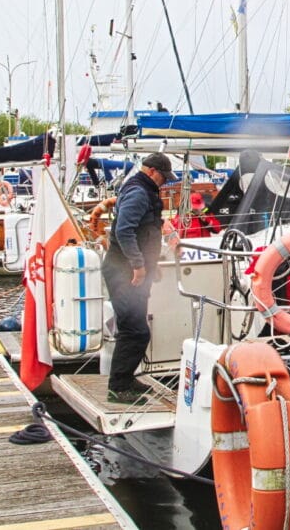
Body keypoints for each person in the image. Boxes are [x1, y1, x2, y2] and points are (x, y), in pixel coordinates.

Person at [102, 152, 176, 403]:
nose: (164, 183)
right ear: (152, 171)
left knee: (132, 328)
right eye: (163, 178)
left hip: (129, 271)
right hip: (124, 272)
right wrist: (138, 265)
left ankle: (125, 378)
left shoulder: (139, 189)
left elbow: (145, 232)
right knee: (136, 331)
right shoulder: (138, 193)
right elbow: (124, 231)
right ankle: (118, 387)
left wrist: (150, 265)